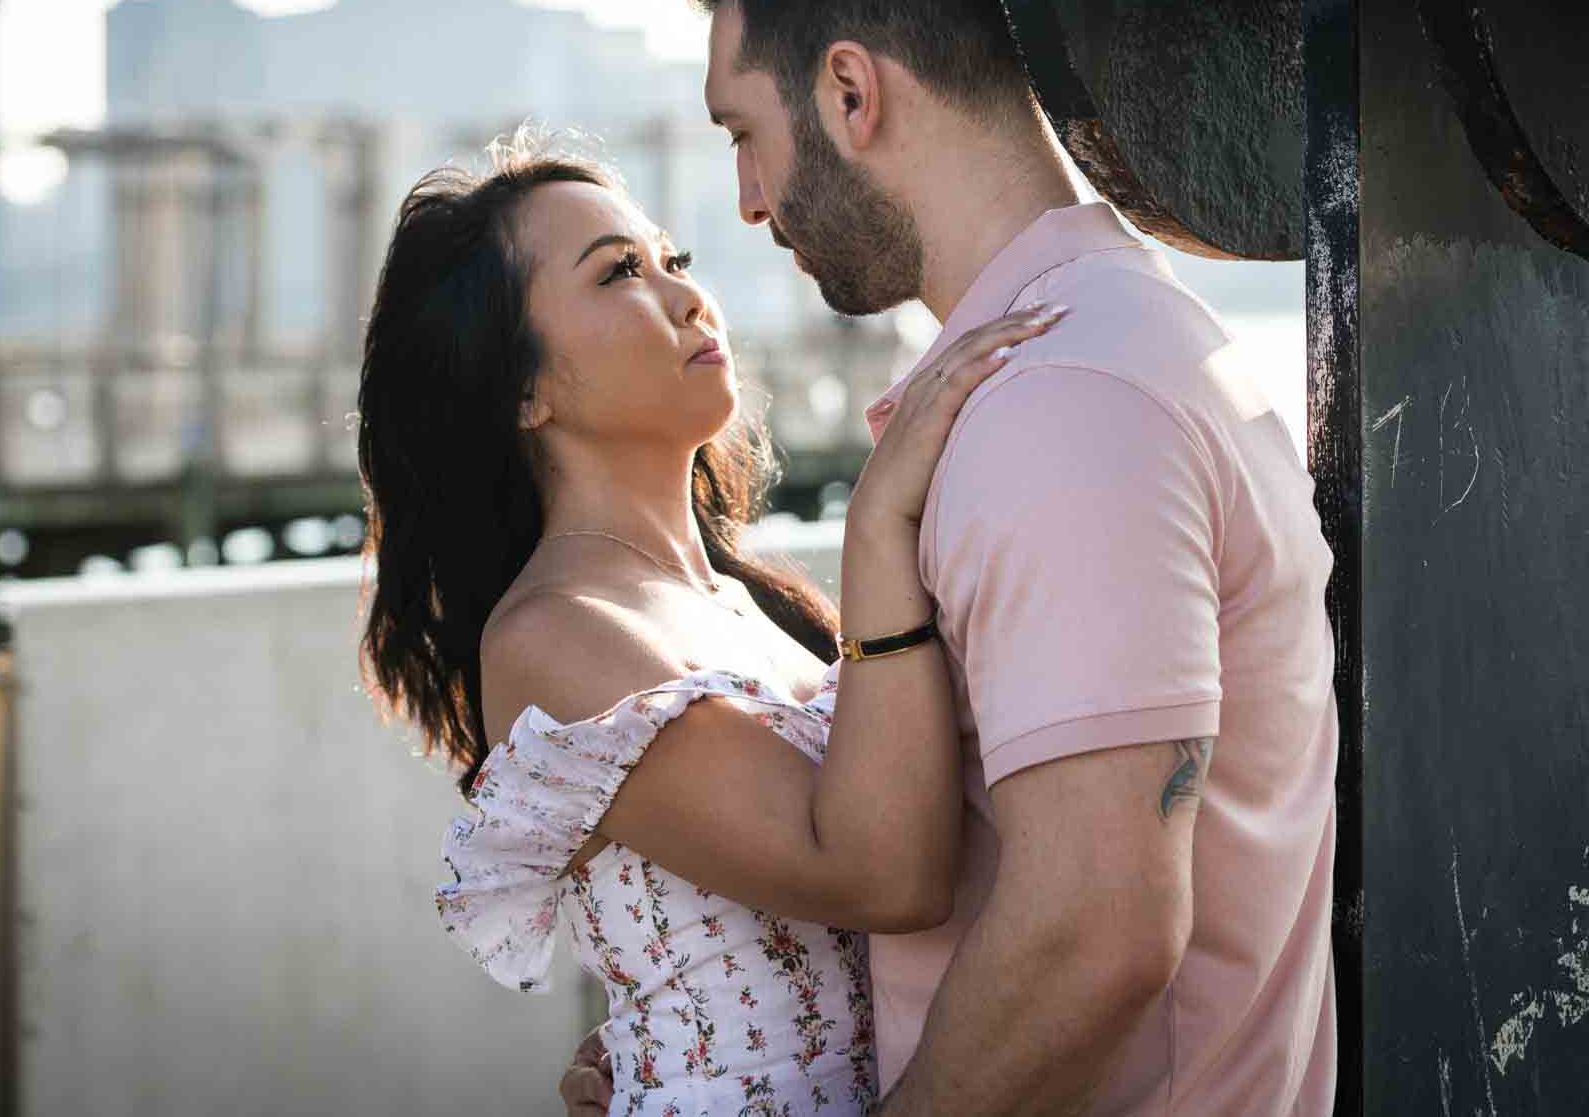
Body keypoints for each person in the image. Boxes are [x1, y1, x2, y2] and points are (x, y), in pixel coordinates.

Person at [565, 0, 1340, 1115]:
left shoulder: (1064, 403)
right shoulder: (1100, 352)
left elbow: (1094, 932)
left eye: (741, 136)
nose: (751, 203)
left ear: (850, 91)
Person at [355, 137, 1071, 1115]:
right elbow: (882, 875)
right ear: (525, 390)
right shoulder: (552, 632)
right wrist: (878, 526)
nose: (687, 298)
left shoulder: (760, 602)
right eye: (617, 274)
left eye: (671, 262)